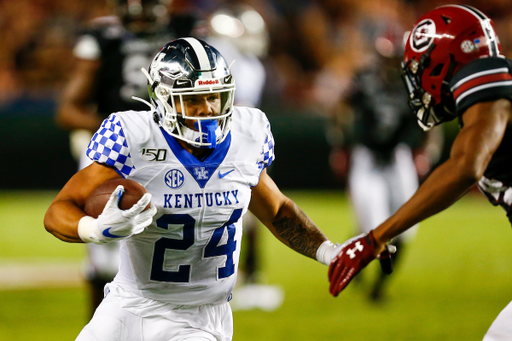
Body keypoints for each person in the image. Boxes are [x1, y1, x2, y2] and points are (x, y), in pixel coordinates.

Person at [44, 37, 343, 341]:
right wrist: (96, 229)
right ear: (163, 98)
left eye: (215, 96)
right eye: (194, 100)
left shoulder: (247, 133)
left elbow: (278, 211)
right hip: (128, 304)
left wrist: (330, 252)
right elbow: (58, 210)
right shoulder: (133, 136)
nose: (208, 109)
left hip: (199, 317)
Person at [328, 4, 512, 340]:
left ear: (444, 58)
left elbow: (465, 167)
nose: (418, 80)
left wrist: (375, 236)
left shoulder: (488, 79)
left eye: (421, 67)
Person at [55, 0, 194, 316]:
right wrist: (119, 128)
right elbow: (68, 109)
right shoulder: (104, 37)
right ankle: (102, 324)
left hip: (173, 145)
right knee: (102, 243)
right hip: (119, 146)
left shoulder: (185, 30)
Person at [328, 21, 438, 301]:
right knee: (372, 223)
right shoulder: (364, 78)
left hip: (398, 155)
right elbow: (340, 109)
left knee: (408, 224)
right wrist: (340, 146)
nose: (390, 64)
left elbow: (432, 118)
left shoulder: (414, 83)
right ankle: (367, 277)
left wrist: (426, 150)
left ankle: (377, 284)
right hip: (368, 156)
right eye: (386, 57)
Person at [204, 3, 284, 311]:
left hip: (234, 143)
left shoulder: (248, 63)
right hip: (228, 145)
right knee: (239, 213)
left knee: (245, 214)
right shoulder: (234, 60)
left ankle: (243, 276)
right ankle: (242, 277)